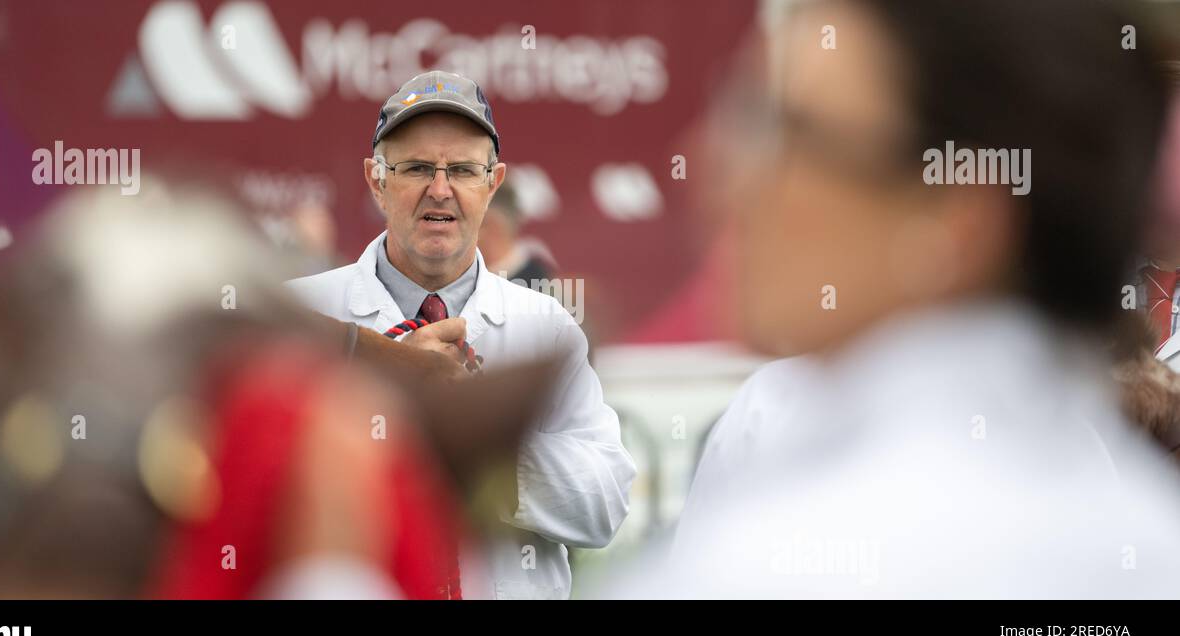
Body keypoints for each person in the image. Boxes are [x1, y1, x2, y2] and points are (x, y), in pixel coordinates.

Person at [659, 0, 1180, 598]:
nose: (718, 172)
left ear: (955, 221)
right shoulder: (1138, 529)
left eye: (792, 132)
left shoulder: (761, 567)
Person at [287, 71, 635, 599]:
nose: (441, 189)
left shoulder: (548, 328)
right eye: (418, 168)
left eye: (464, 170)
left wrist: (475, 433)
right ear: (376, 180)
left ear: (492, 184)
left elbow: (604, 506)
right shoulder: (301, 312)